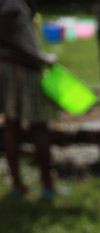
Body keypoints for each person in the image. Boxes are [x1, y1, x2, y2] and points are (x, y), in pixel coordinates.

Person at [0, 0, 58, 200]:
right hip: (22, 71)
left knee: (12, 124)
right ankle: (47, 188)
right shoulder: (11, 3)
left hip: (11, 70)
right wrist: (39, 58)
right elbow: (3, 37)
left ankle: (19, 186)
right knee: (38, 126)